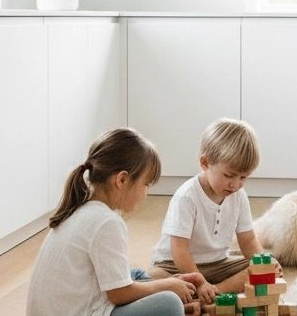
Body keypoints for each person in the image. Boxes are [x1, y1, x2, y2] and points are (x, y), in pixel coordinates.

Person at [26, 127, 199, 316]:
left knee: (137, 276)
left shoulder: (80, 209)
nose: (146, 193)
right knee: (170, 303)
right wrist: (167, 286)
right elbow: (119, 293)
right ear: (122, 180)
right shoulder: (107, 222)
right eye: (146, 184)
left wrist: (168, 284)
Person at [150, 118, 272, 299]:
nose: (236, 184)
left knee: (264, 269)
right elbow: (179, 250)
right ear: (205, 163)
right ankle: (204, 293)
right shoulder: (187, 196)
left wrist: (265, 265)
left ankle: (214, 293)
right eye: (229, 175)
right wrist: (199, 281)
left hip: (218, 264)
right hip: (174, 265)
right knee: (153, 277)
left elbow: (248, 241)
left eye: (243, 177)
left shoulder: (239, 196)